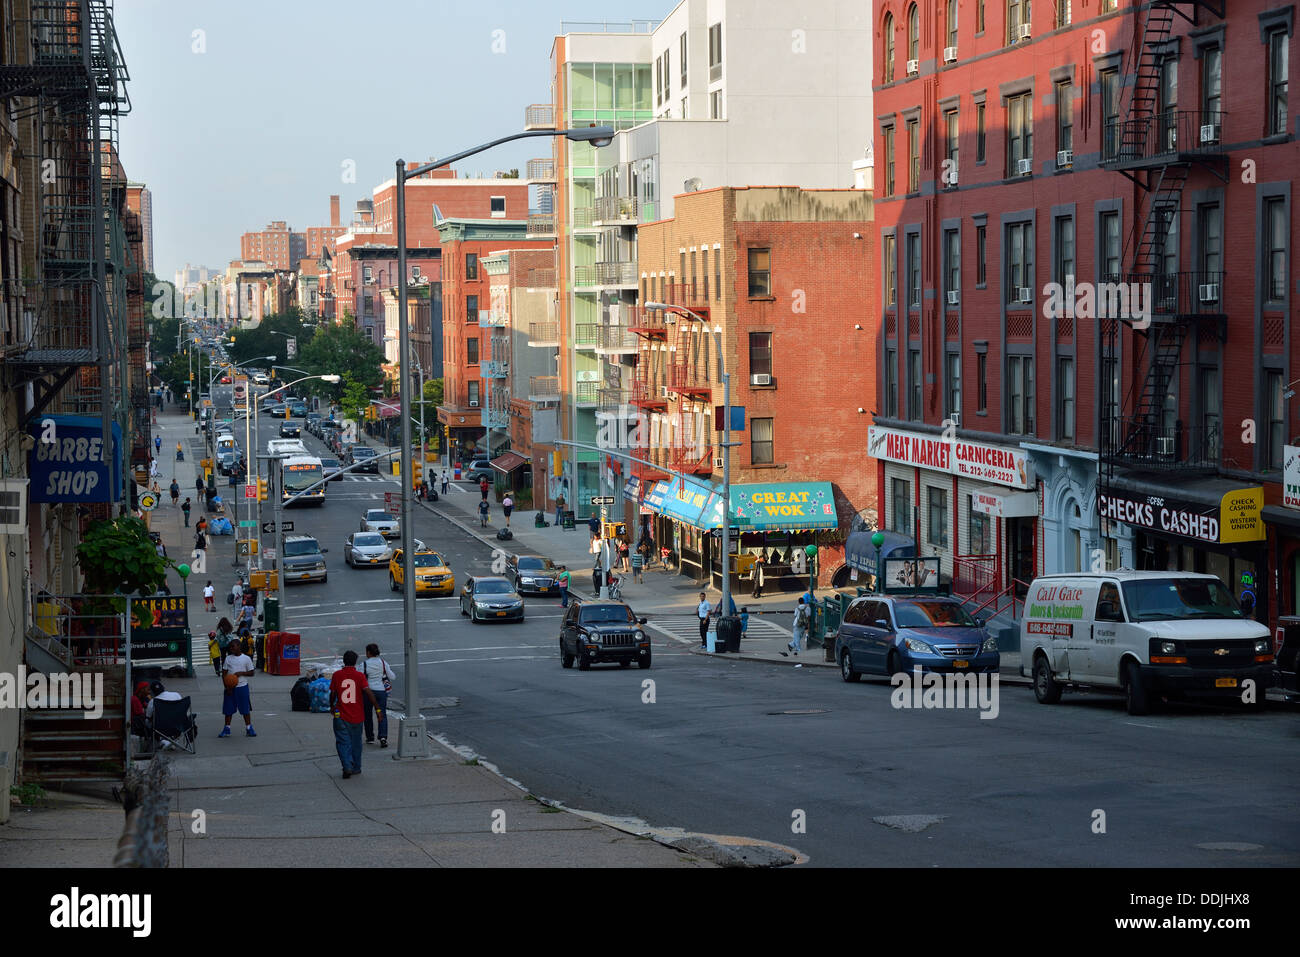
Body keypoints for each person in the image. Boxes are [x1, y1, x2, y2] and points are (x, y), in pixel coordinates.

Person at [330, 650, 378, 779]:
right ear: (355, 662)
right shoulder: (360, 676)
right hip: (357, 716)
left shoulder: (337, 675)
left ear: (344, 661)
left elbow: (333, 693)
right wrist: (377, 710)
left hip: (341, 715)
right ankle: (356, 767)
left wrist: (332, 707)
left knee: (342, 742)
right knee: (356, 743)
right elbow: (369, 693)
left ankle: (347, 765)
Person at [218, 637, 256, 737]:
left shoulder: (246, 658)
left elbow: (252, 672)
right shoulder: (228, 658)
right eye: (230, 648)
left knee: (245, 709)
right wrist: (227, 687)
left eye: (233, 647)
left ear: (239, 646)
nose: (231, 649)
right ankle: (227, 728)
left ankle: (249, 728)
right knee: (228, 710)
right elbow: (224, 674)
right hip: (230, 688)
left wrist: (241, 673)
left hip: (242, 687)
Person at [362, 644, 396, 748]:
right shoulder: (383, 662)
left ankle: (370, 737)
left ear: (368, 652)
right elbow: (392, 676)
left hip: (368, 692)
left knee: (367, 715)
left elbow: (359, 677)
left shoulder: (364, 664)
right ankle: (383, 737)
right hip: (381, 691)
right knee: (381, 714)